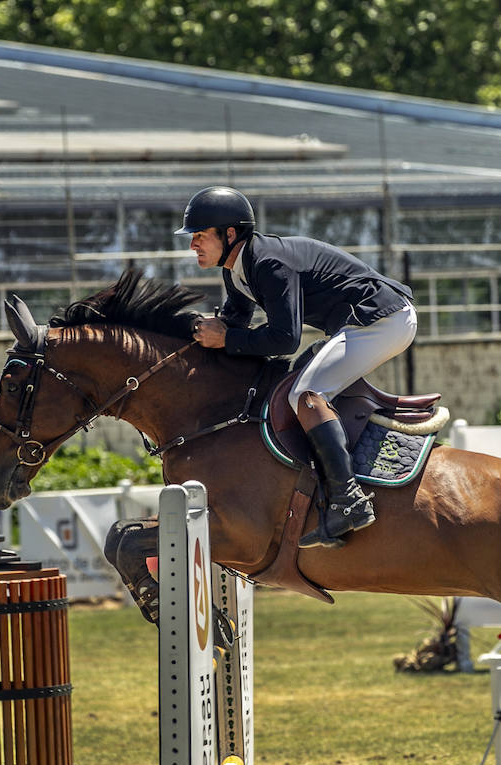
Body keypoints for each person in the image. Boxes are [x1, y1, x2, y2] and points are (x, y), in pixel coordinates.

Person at [177, 186, 417, 548]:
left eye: (199, 236)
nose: (192, 245)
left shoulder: (268, 263)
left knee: (306, 394)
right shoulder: (236, 270)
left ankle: (349, 500)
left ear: (230, 234)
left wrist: (225, 339)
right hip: (362, 323)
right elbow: (235, 324)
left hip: (382, 320)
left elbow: (284, 339)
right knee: (297, 384)